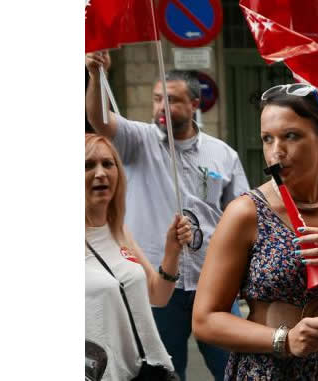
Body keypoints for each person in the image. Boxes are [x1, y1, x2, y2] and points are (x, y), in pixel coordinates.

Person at [192, 83, 318, 380]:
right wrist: (283, 340)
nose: (276, 151)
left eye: (291, 136)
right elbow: (205, 320)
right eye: (267, 139)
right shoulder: (246, 213)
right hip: (270, 371)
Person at [86, 51, 249, 380]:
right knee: (166, 373)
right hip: (159, 286)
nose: (161, 107)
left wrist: (243, 277)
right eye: (157, 98)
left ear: (193, 105)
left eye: (172, 100)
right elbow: (100, 120)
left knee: (236, 370)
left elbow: (243, 217)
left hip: (213, 284)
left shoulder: (223, 155)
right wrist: (96, 75)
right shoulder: (138, 141)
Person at [86, 133, 192, 380]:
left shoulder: (119, 230)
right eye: (88, 165)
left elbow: (158, 295)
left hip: (143, 372)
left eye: (107, 164)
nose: (100, 173)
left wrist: (171, 251)